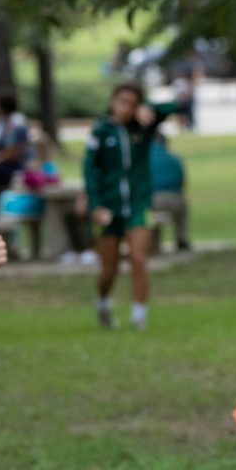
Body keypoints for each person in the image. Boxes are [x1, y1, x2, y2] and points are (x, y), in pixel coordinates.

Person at [83, 83, 181, 330]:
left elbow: (173, 106)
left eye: (132, 103)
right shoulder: (102, 131)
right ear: (113, 101)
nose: (126, 108)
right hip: (109, 207)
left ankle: (139, 317)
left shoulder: (142, 127)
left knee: (138, 258)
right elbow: (89, 169)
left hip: (139, 205)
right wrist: (95, 204)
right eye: (122, 101)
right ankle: (103, 302)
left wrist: (149, 108)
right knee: (109, 269)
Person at [0, 90, 30, 214]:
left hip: (15, 167)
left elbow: (13, 151)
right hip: (5, 164)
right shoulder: (3, 121)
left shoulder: (15, 122)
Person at [150, 133, 190, 251]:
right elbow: (182, 180)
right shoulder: (174, 157)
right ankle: (181, 238)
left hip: (152, 199)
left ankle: (153, 243)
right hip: (174, 197)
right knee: (183, 210)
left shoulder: (143, 158)